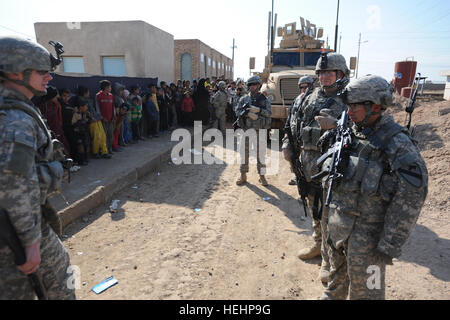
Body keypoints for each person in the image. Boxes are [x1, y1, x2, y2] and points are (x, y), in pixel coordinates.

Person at [315, 75, 428, 300]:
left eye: (355, 106)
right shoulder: (351, 132)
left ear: (376, 106)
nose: (349, 111)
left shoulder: (397, 144)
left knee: (369, 293)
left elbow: (412, 196)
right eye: (348, 106)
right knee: (335, 284)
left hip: (369, 242)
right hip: (338, 230)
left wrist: (389, 243)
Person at [0, 35, 76, 300]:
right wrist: (30, 242)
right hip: (16, 235)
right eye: (42, 71)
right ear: (14, 72)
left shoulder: (12, 109)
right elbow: (12, 184)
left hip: (14, 227)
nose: (49, 77)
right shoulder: (15, 121)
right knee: (59, 284)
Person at [282, 53, 350, 284]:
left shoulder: (351, 100)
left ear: (341, 75)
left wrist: (339, 127)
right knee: (315, 208)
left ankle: (328, 259)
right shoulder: (307, 98)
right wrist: (287, 147)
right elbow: (291, 124)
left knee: (330, 215)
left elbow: (363, 133)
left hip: (334, 167)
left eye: (330, 73)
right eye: (321, 73)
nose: (325, 77)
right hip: (308, 164)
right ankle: (317, 244)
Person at [234, 75, 271, 186]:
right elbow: (237, 111)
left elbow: (269, 113)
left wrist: (259, 111)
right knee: (244, 153)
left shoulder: (264, 100)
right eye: (250, 85)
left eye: (255, 84)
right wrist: (246, 114)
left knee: (261, 154)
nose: (253, 87)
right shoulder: (244, 99)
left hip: (259, 131)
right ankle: (243, 175)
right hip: (246, 130)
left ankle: (262, 176)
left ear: (259, 85)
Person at [283, 75, 315, 187]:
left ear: (311, 87)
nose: (304, 90)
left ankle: (304, 180)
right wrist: (287, 128)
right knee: (288, 154)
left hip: (307, 137)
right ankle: (297, 174)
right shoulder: (297, 100)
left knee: (305, 160)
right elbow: (291, 115)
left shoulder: (314, 101)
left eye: (306, 87)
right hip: (293, 134)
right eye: (301, 87)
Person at [96, 80, 115, 155]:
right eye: (109, 87)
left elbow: (113, 107)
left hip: (110, 119)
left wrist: (113, 116)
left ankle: (110, 149)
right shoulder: (98, 95)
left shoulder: (111, 96)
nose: (110, 88)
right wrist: (101, 118)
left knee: (111, 135)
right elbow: (97, 108)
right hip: (103, 120)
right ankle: (104, 151)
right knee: (104, 136)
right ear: (105, 87)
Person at [71, 98, 92, 165]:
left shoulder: (86, 113)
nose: (87, 107)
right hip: (77, 133)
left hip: (84, 132)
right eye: (86, 106)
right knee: (80, 147)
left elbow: (90, 120)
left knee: (85, 145)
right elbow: (73, 124)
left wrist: (88, 120)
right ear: (81, 107)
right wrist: (82, 121)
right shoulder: (76, 114)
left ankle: (85, 158)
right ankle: (80, 161)